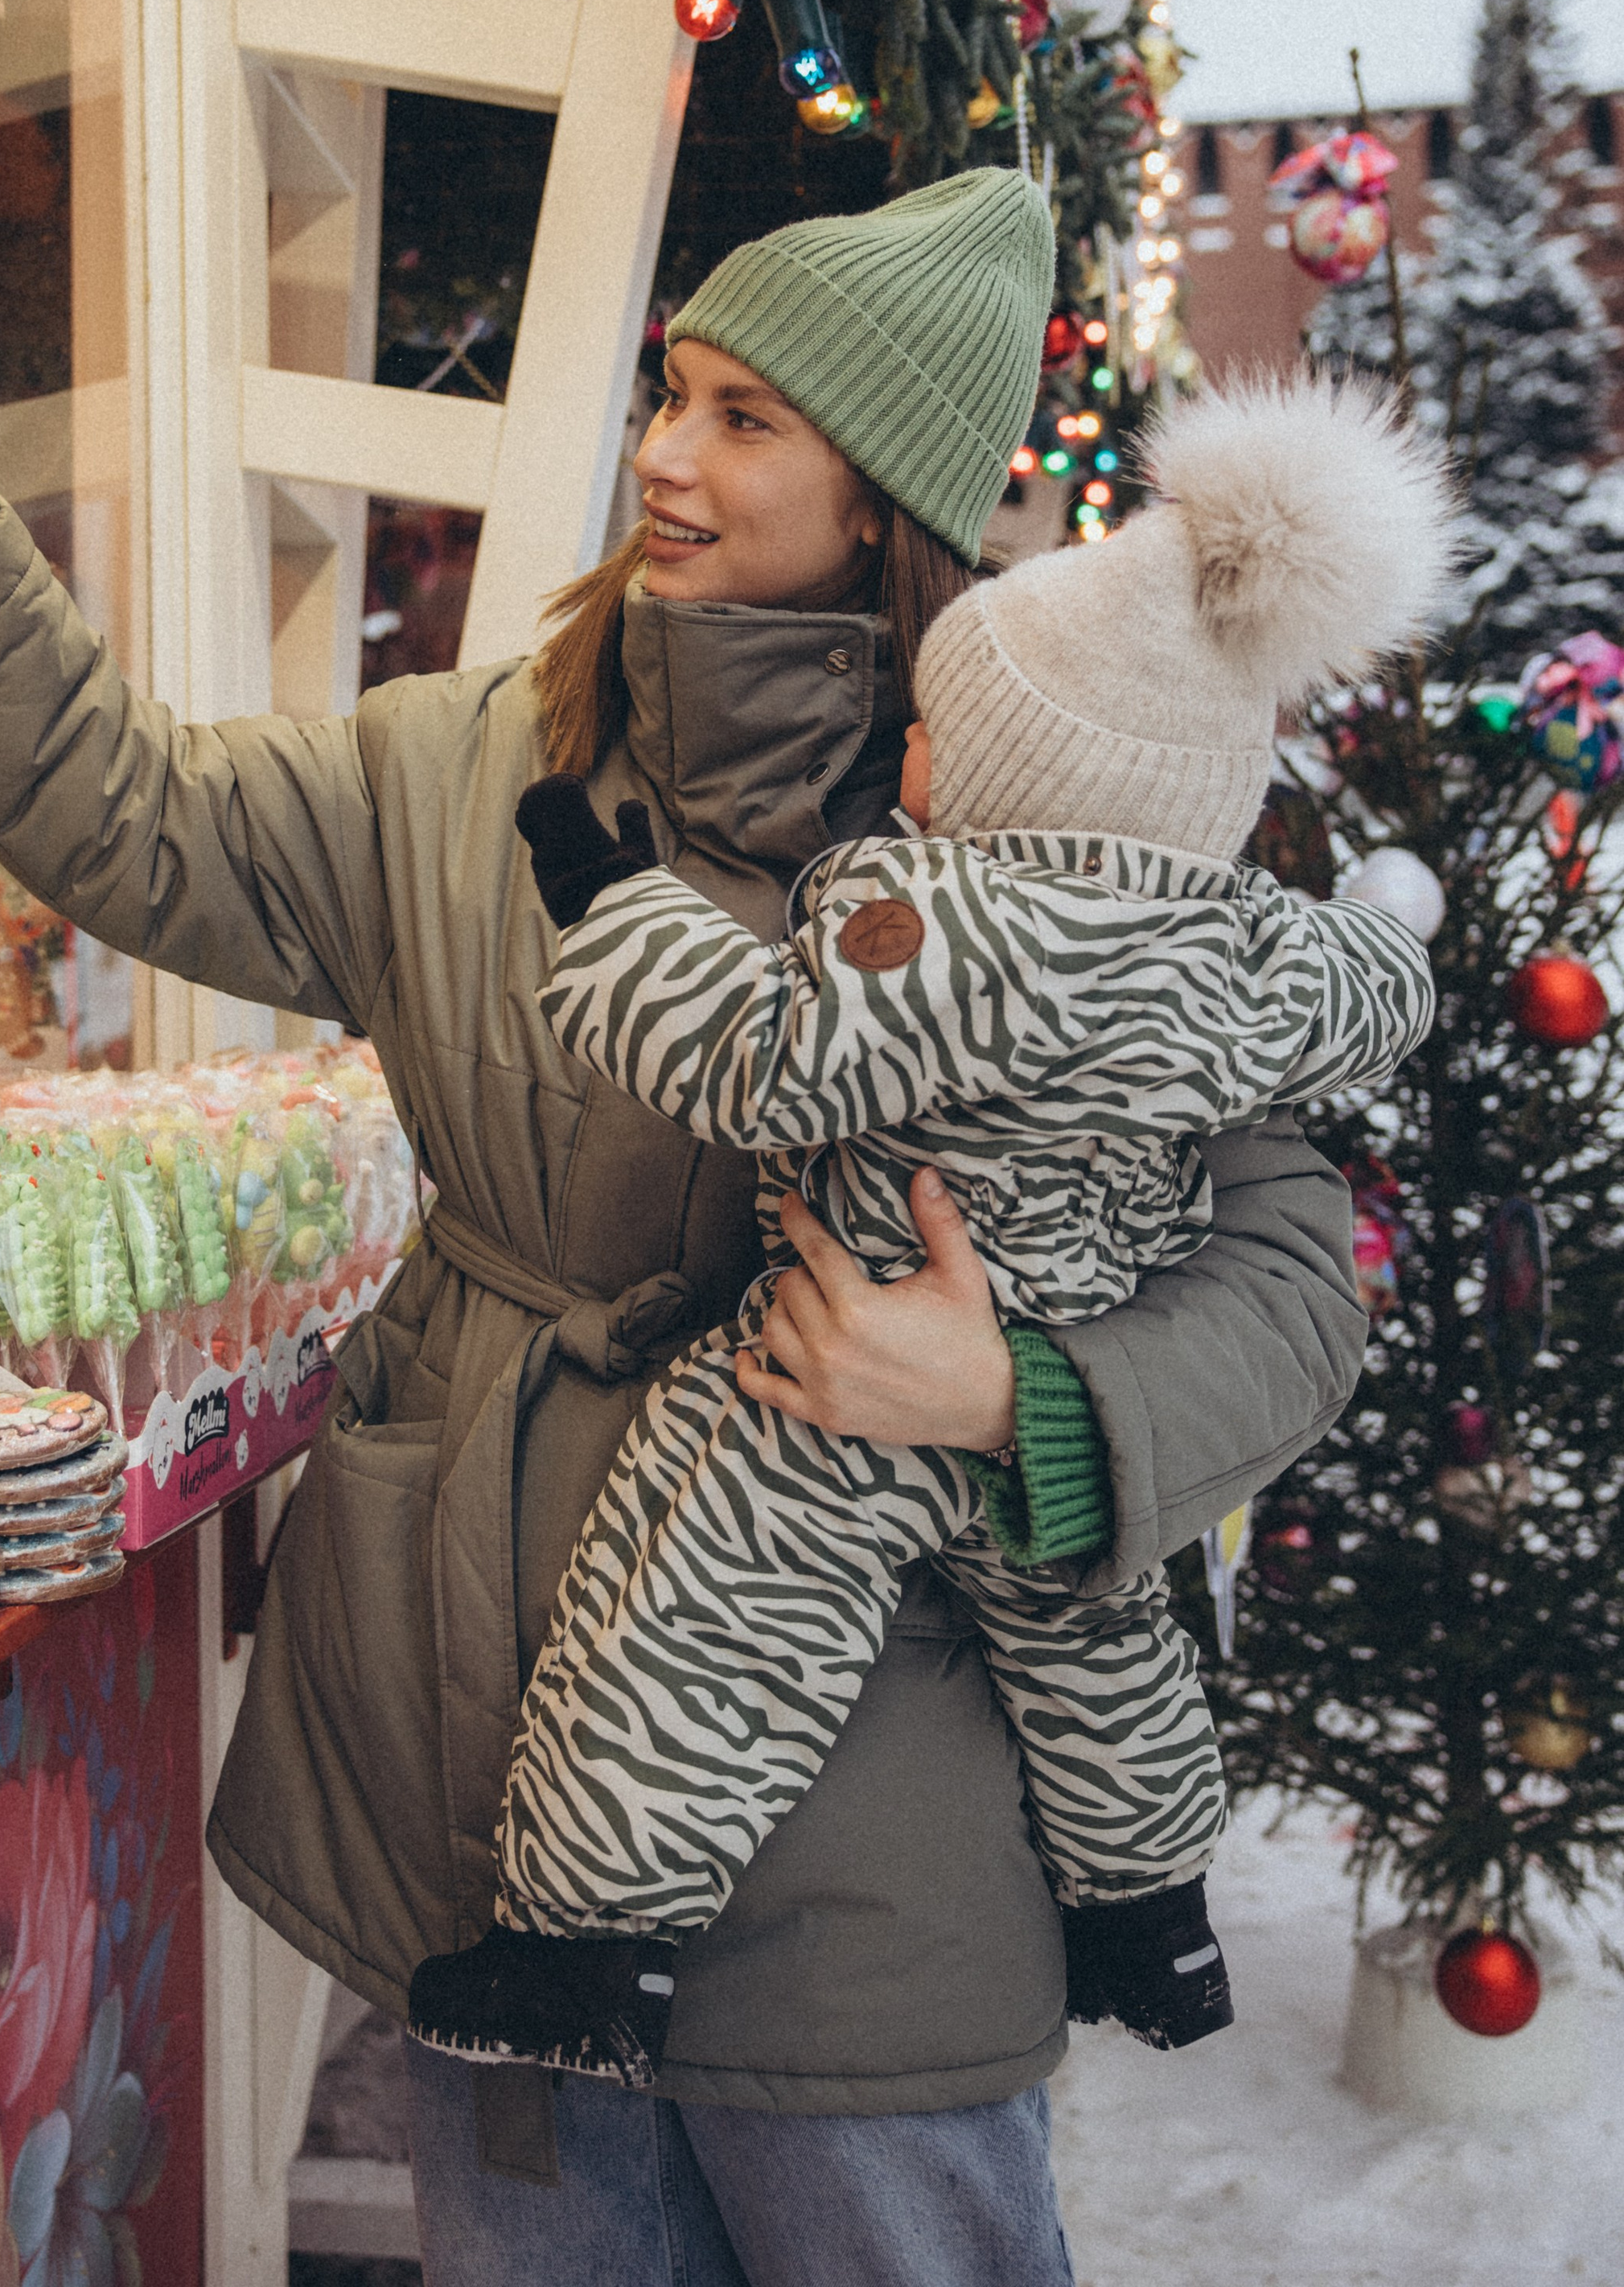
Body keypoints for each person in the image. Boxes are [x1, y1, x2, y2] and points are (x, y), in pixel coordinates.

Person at [0, 171, 1369, 2287]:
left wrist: (1018, 1397)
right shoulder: (472, 765)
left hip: (876, 1825)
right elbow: (137, 818)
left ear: (880, 503)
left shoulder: (1037, 824)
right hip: (491, 1769)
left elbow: (1289, 1283)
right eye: (671, 395)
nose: (666, 456)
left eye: (745, 421)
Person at [408, 374, 1449, 2087]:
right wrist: (1388, 914)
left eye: (934, 742)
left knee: (703, 1622)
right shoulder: (1254, 956)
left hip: (844, 1373)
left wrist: (610, 908)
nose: (907, 760)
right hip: (1062, 1356)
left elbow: (750, 1054)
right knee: (1099, 1646)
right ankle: (1151, 1915)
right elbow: (1364, 989)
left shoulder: (942, 937)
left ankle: (588, 1941)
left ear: (973, 781)